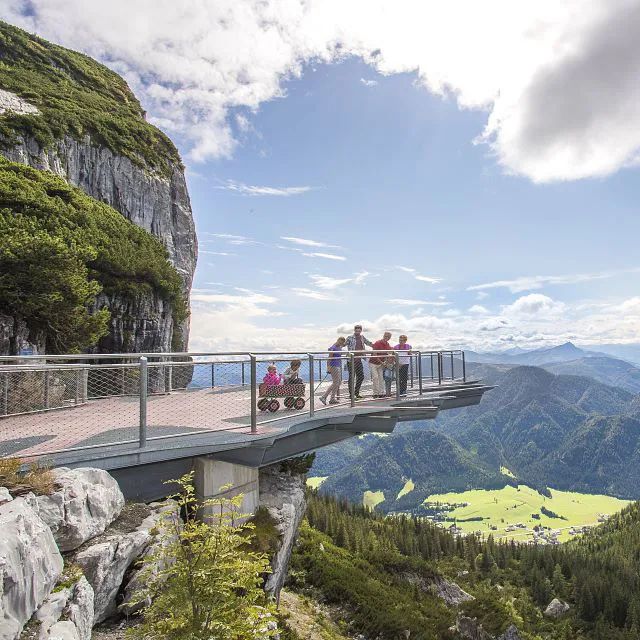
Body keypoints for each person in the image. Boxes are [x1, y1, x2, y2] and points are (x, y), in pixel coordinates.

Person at [345, 324, 373, 400]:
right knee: (351, 377)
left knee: (361, 376)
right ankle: (351, 395)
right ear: (354, 330)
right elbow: (343, 344)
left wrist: (377, 346)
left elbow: (369, 343)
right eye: (356, 330)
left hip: (359, 360)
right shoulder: (349, 337)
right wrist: (334, 347)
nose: (358, 332)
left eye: (359, 330)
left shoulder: (362, 337)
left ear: (361, 330)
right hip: (351, 360)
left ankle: (356, 393)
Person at [320, 337, 346, 405]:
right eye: (340, 342)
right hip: (333, 366)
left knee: (338, 382)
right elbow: (329, 358)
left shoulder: (339, 347)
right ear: (338, 340)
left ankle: (331, 398)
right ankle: (325, 397)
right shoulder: (333, 348)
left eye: (342, 343)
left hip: (338, 365)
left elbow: (343, 348)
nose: (341, 344)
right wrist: (328, 368)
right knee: (335, 382)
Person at [369, 332, 392, 398]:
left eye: (388, 337)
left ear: (389, 338)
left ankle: (381, 392)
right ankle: (375, 393)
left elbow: (389, 353)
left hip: (380, 363)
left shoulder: (387, 344)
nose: (386, 337)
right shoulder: (378, 343)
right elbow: (374, 354)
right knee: (375, 378)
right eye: (386, 336)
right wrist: (382, 362)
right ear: (383, 336)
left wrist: (385, 362)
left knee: (381, 378)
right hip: (373, 363)